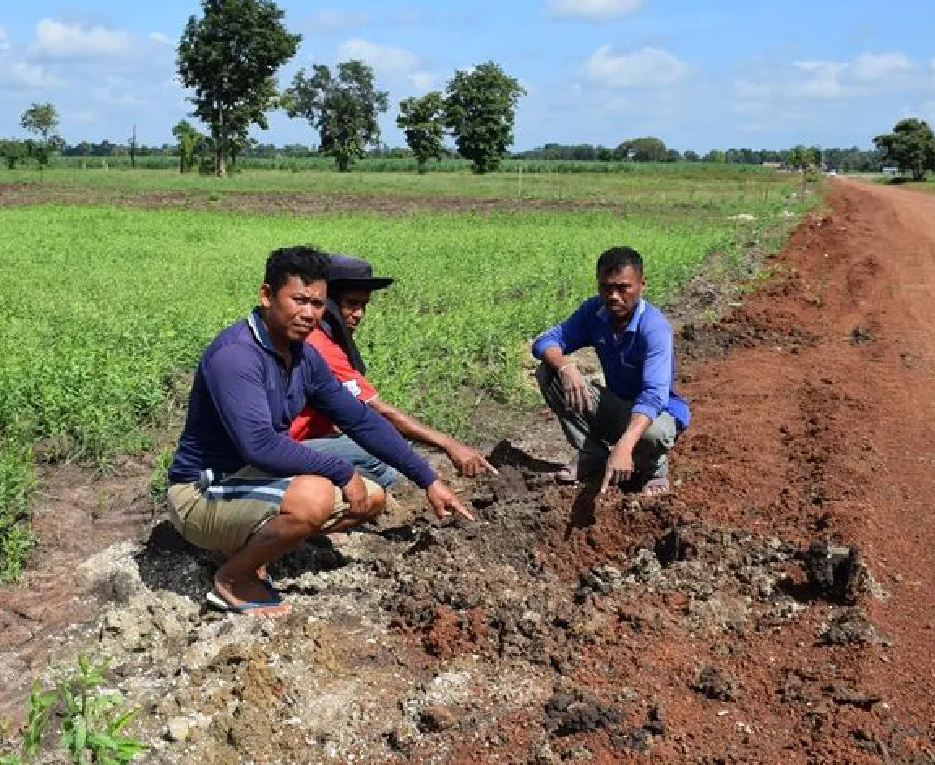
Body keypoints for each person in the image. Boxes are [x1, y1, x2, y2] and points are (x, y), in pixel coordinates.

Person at [166, 246, 473, 617]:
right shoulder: (236, 356)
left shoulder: (303, 355)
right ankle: (233, 578)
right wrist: (341, 471)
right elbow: (259, 445)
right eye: (298, 301)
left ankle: (248, 544)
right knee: (316, 496)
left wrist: (428, 479)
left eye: (317, 304)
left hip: (248, 481)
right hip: (202, 492)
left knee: (371, 498)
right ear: (267, 295)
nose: (309, 314)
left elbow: (359, 419)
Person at [289, 253, 497, 485]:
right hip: (286, 445)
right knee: (378, 450)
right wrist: (448, 443)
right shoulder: (320, 345)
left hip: (306, 438)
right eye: (352, 304)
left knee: (385, 469)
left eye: (364, 305)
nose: (359, 315)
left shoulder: (323, 338)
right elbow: (378, 411)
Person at [531, 246, 690, 495]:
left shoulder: (654, 328)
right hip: (617, 405)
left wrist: (624, 445)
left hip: (658, 413)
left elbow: (654, 396)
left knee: (652, 434)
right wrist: (566, 366)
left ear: (641, 284)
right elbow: (545, 341)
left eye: (623, 287)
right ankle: (592, 453)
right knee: (548, 373)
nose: (613, 296)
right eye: (606, 287)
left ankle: (653, 470)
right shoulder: (594, 312)